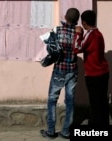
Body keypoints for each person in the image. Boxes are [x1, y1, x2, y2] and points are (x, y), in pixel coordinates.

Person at [40, 8, 80, 139]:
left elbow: (51, 49)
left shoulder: (57, 30)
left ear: (65, 16)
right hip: (72, 70)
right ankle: (66, 132)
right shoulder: (78, 32)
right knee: (70, 101)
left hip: (59, 70)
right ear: (77, 20)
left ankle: (51, 131)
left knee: (52, 100)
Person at [74, 10, 110, 127]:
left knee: (95, 103)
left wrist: (78, 33)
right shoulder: (99, 33)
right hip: (103, 72)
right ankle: (103, 124)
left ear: (84, 23)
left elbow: (77, 48)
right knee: (102, 101)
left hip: (94, 74)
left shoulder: (90, 34)